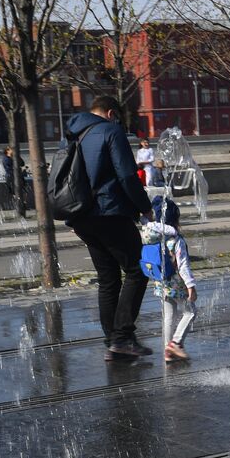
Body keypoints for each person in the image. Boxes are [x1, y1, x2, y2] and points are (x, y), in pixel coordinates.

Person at [66, 95, 155, 360]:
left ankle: (113, 341)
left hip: (81, 215)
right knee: (137, 270)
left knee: (108, 279)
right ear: (110, 113)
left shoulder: (73, 134)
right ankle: (122, 337)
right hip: (109, 212)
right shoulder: (110, 131)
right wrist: (144, 206)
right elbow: (127, 175)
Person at [142, 196, 198, 362]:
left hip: (161, 282)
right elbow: (183, 266)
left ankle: (168, 351)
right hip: (177, 284)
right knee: (190, 312)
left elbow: (145, 220)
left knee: (169, 315)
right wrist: (191, 286)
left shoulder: (150, 236)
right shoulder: (176, 240)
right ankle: (175, 343)